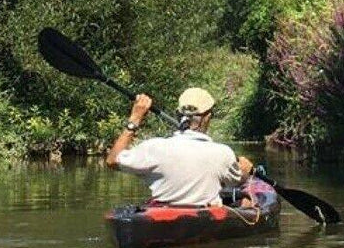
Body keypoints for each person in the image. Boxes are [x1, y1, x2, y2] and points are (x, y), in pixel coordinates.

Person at [106, 86, 254, 207]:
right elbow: (237, 181)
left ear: (178, 114)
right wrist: (246, 172)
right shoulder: (223, 153)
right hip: (204, 218)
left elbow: (112, 160)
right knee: (248, 201)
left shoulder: (154, 147)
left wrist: (135, 117)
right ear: (208, 117)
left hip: (163, 218)